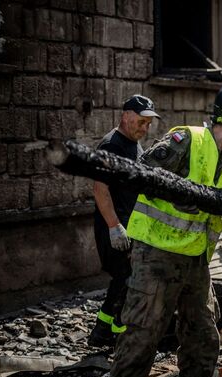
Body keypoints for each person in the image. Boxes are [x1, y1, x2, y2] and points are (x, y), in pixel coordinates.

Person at [107, 81, 222, 377]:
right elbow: (142, 174)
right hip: (157, 257)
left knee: (204, 338)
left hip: (194, 263)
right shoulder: (188, 140)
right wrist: (181, 197)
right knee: (142, 339)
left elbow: (207, 214)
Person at [89, 95, 160, 347]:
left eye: (148, 124)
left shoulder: (134, 145)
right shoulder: (111, 145)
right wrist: (114, 226)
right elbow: (100, 188)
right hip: (116, 227)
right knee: (125, 276)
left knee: (126, 278)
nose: (144, 128)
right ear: (126, 116)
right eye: (141, 122)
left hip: (132, 225)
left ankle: (108, 329)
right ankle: (108, 330)